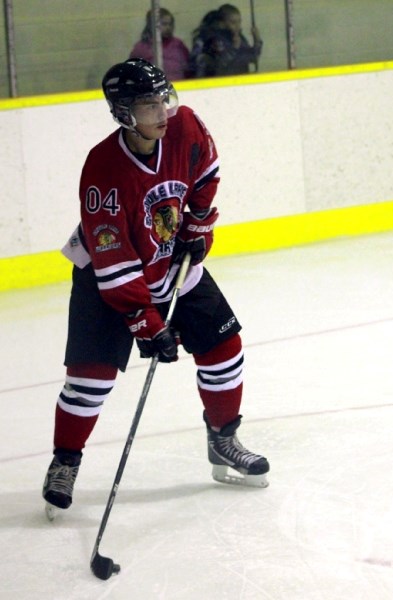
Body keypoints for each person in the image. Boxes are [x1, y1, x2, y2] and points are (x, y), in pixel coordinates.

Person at [42, 58, 270, 512]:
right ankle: (65, 461)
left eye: (164, 99)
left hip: (169, 258)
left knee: (224, 346)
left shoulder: (185, 126)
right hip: (106, 275)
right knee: (91, 380)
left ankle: (223, 439)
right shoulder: (103, 168)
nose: (163, 112)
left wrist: (197, 225)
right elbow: (113, 255)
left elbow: (205, 174)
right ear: (124, 112)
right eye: (149, 106)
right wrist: (144, 320)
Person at [191, 4, 263, 78]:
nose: (238, 26)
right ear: (221, 23)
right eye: (233, 22)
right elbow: (219, 65)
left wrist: (257, 41)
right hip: (220, 83)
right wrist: (234, 48)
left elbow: (252, 58)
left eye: (239, 22)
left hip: (240, 81)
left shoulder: (238, 37)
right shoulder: (213, 39)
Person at [129, 8, 190, 81]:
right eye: (164, 24)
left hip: (180, 87)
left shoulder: (178, 44)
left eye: (170, 24)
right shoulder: (141, 48)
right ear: (151, 25)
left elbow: (188, 69)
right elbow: (132, 73)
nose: (168, 28)